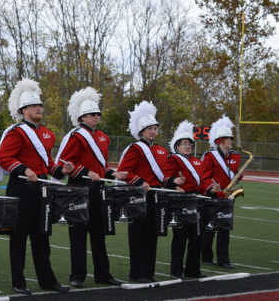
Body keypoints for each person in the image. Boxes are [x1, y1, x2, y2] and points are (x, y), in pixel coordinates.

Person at [0, 78, 72, 295]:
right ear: (23, 110)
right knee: (19, 238)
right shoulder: (16, 132)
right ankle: (18, 281)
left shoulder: (47, 134)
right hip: (21, 189)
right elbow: (3, 157)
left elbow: (47, 163)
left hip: (41, 190)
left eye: (40, 106)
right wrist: (24, 169)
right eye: (34, 106)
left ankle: (47, 280)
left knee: (42, 236)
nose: (39, 108)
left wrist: (61, 170)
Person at [54, 87, 125, 288]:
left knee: (99, 233)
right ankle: (77, 275)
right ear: (83, 117)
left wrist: (113, 174)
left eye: (98, 114)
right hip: (78, 188)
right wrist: (85, 172)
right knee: (78, 232)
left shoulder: (103, 137)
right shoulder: (76, 135)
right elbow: (65, 162)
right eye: (93, 114)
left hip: (98, 189)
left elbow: (101, 167)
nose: (97, 117)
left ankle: (103, 274)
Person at [117, 101, 168, 283]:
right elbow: (124, 173)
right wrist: (140, 182)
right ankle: (137, 273)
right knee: (138, 236)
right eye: (149, 129)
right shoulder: (135, 148)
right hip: (139, 198)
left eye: (155, 128)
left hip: (156, 197)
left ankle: (149, 271)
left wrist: (175, 181)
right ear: (141, 132)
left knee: (151, 236)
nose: (153, 131)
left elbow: (165, 174)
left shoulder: (161, 150)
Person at [163, 121, 206, 279]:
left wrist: (210, 189)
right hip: (180, 202)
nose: (188, 146)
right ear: (177, 146)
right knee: (180, 238)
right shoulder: (173, 159)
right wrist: (175, 184)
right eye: (184, 143)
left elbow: (202, 181)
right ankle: (176, 272)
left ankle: (193, 270)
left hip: (196, 202)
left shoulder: (197, 162)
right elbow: (165, 177)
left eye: (190, 144)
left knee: (197, 237)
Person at [200, 115, 240, 269]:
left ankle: (224, 259)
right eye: (228, 138)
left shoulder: (235, 156)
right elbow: (204, 176)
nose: (230, 140)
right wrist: (214, 189)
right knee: (211, 227)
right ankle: (206, 256)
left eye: (231, 138)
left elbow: (235, 173)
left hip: (229, 195)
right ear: (220, 140)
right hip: (214, 195)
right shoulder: (210, 156)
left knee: (225, 227)